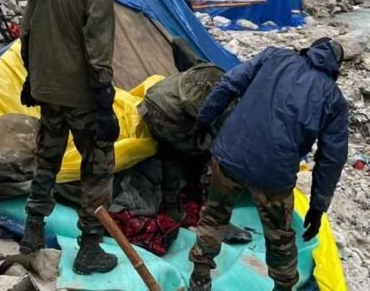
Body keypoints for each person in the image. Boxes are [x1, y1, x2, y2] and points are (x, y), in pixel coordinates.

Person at [188, 38, 349, 291]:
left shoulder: (274, 56)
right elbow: (332, 157)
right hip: (274, 173)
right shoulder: (334, 99)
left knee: (213, 217)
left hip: (230, 153)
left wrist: (204, 119)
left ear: (308, 50)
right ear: (336, 67)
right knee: (280, 238)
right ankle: (283, 287)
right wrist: (318, 206)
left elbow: (228, 84)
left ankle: (199, 279)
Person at [18, 0, 124, 275]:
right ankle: (90, 247)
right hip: (80, 93)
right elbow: (98, 46)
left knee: (47, 157)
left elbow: (27, 27)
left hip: (47, 87)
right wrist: (104, 98)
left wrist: (31, 76)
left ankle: (32, 234)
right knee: (97, 163)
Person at [140, 62, 252, 245]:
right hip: (172, 116)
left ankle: (172, 207)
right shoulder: (235, 103)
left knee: (174, 153)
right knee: (209, 160)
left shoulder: (231, 76)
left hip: (153, 101)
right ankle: (213, 221)